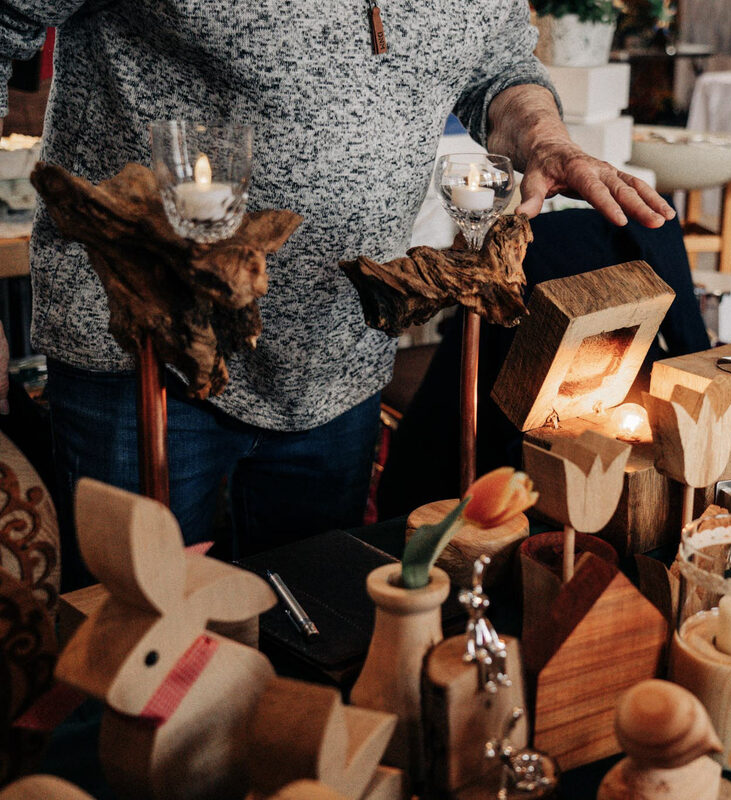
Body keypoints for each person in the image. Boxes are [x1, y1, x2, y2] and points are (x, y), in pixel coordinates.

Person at [0, 1, 674, 581]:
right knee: (141, 648)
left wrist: (544, 137)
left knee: (315, 635)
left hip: (337, 353)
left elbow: (496, 63)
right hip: (143, 353)